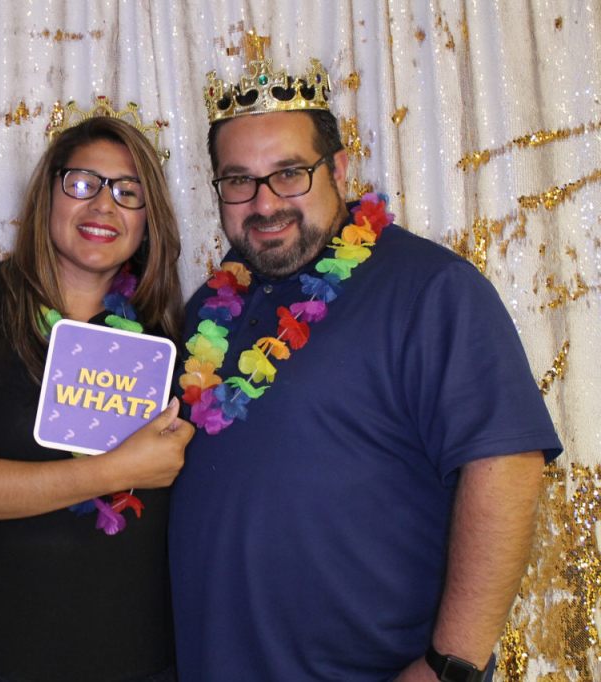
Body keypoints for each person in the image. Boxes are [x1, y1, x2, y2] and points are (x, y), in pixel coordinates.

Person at [169, 56, 562, 682]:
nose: (265, 203)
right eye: (239, 180)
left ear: (340, 170)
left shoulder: (429, 288)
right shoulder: (208, 311)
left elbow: (507, 466)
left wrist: (450, 665)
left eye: (289, 173)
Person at [0, 111, 194, 682]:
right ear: (48, 194)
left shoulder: (163, 335)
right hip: (6, 653)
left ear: (148, 220)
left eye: (128, 192)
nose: (104, 205)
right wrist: (117, 469)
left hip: (143, 656)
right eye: (83, 183)